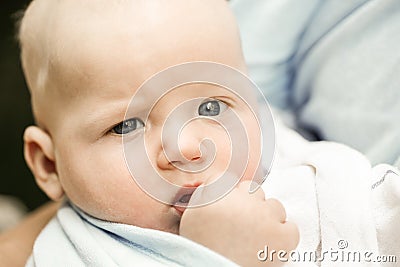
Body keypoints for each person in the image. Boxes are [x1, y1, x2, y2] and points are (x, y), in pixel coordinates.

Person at [17, 0, 298, 266]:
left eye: (210, 108)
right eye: (126, 127)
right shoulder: (68, 257)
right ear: (50, 165)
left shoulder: (309, 171)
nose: (187, 148)